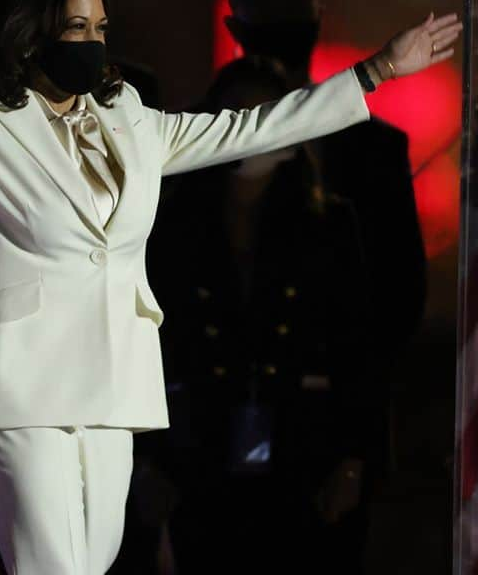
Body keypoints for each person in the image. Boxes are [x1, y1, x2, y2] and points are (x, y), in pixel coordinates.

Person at [0, 0, 461, 575]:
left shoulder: (130, 119)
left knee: (91, 567)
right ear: (31, 34)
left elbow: (253, 126)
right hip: (23, 386)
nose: (94, 43)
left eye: (101, 29)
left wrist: (379, 70)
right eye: (76, 29)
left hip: (114, 384)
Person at [226, 0, 428, 547]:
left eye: (288, 13)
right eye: (269, 14)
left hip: (325, 435)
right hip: (213, 437)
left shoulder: (369, 150)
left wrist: (353, 449)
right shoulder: (194, 148)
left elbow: (395, 300)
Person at [146, 57, 373, 572]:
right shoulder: (173, 222)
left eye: (263, 116)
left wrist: (354, 458)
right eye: (234, 116)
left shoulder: (327, 223)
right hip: (197, 450)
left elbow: (357, 344)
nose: (249, 131)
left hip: (302, 452)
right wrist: (143, 461)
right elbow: (149, 344)